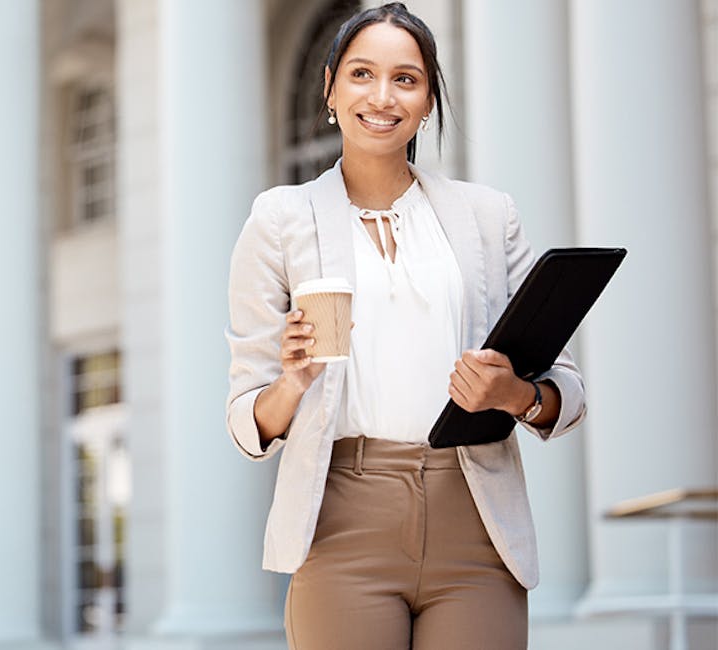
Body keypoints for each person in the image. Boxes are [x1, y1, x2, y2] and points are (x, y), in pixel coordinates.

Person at [224, 3, 586, 649]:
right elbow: (248, 416)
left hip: (476, 517)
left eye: (407, 79)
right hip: (342, 516)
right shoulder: (280, 219)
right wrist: (292, 382)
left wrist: (512, 396)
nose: (382, 96)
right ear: (331, 85)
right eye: (362, 74)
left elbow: (565, 388)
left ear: (427, 99)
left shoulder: (487, 215)